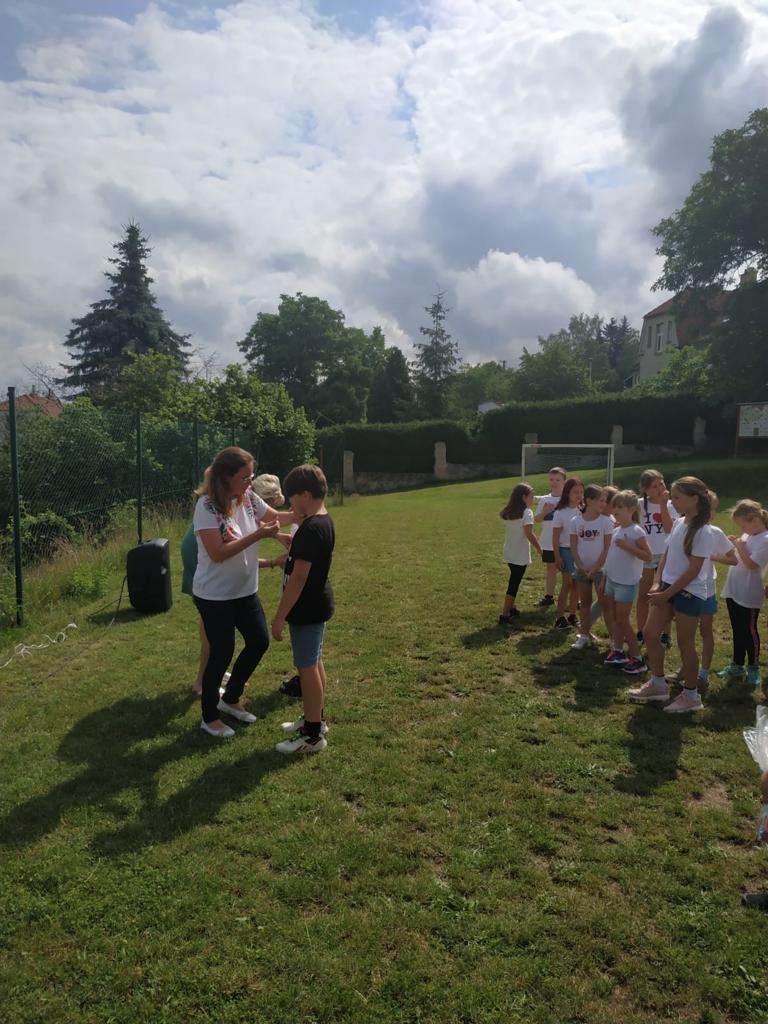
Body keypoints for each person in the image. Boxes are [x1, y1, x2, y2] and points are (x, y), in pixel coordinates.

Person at [192, 448, 289, 738]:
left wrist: (307, 510)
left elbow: (275, 516)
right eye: (245, 477)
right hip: (215, 596)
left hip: (245, 591)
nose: (250, 482)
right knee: (221, 653)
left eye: (251, 476)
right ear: (226, 477)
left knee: (259, 641)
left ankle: (230, 698)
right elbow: (218, 553)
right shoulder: (206, 507)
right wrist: (258, 535)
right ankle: (209, 718)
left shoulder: (247, 497)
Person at [629, 477, 714, 712]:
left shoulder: (703, 531)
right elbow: (666, 555)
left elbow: (694, 570)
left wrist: (666, 594)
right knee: (650, 633)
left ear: (694, 499)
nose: (672, 501)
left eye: (677, 497)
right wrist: (657, 583)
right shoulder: (678, 523)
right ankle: (658, 684)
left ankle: (691, 696)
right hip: (666, 587)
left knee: (685, 644)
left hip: (689, 592)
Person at [272, 464, 335, 755]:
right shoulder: (322, 520)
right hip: (315, 604)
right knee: (314, 662)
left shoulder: (311, 529)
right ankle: (316, 720)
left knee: (307, 667)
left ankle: (312, 736)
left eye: (292, 498)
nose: (290, 505)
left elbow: (298, 578)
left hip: (306, 608)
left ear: (306, 495)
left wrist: (279, 616)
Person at [666, 492, 737, 693]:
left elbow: (733, 558)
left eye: (714, 509)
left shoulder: (714, 532)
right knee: (685, 635)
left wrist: (712, 556)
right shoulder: (683, 526)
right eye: (709, 508)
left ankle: (703, 674)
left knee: (705, 629)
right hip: (685, 587)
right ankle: (685, 669)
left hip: (706, 589)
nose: (711, 513)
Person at [717, 499, 768, 686]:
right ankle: (737, 664)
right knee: (737, 629)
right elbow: (738, 559)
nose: (742, 530)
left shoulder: (765, 539)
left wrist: (739, 545)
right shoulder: (748, 535)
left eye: (742, 526)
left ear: (755, 520)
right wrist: (735, 544)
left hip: (749, 594)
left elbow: (752, 564)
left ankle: (753, 668)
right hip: (734, 590)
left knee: (750, 631)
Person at [601, 490, 652, 672]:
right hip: (612, 581)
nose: (615, 510)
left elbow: (648, 556)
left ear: (631, 509)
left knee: (622, 620)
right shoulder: (617, 530)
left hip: (626, 583)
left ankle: (637, 658)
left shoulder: (636, 531)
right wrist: (605, 578)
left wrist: (628, 546)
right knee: (616, 618)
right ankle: (617, 651)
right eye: (614, 506)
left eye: (620, 507)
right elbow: (610, 557)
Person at [569, 484, 613, 650]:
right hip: (582, 571)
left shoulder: (606, 522)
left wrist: (595, 569)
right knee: (585, 604)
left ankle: (614, 642)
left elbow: (607, 548)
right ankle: (584, 636)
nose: (604, 504)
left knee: (605, 605)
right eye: (601, 500)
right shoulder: (576, 521)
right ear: (589, 501)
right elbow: (573, 547)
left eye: (605, 500)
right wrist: (580, 566)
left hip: (601, 571)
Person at [637, 470, 678, 648]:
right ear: (646, 490)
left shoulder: (671, 505)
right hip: (646, 554)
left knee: (664, 596)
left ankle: (665, 634)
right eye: (655, 486)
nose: (660, 488)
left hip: (666, 554)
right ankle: (641, 631)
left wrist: (662, 505)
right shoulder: (639, 505)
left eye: (661, 483)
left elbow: (669, 529)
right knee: (644, 595)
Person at [499, 483, 542, 624]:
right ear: (523, 497)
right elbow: (529, 534)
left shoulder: (510, 512)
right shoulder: (527, 513)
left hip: (509, 552)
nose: (533, 499)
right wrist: (539, 549)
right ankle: (505, 615)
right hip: (519, 554)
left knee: (514, 579)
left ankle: (512, 608)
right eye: (531, 496)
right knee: (514, 583)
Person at [551, 477, 584, 630]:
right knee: (567, 584)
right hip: (566, 551)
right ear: (567, 493)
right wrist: (557, 556)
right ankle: (559, 617)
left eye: (581, 492)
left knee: (577, 584)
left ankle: (572, 615)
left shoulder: (584, 511)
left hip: (580, 553)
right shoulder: (560, 512)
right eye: (575, 492)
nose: (579, 495)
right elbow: (555, 537)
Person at [534, 467, 566, 607]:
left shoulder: (568, 499)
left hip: (565, 542)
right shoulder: (544, 499)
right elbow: (537, 519)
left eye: (558, 479)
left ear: (564, 482)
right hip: (548, 541)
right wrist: (545, 512)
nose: (554, 482)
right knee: (551, 569)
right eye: (551, 479)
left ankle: (573, 599)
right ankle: (549, 596)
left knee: (568, 571)